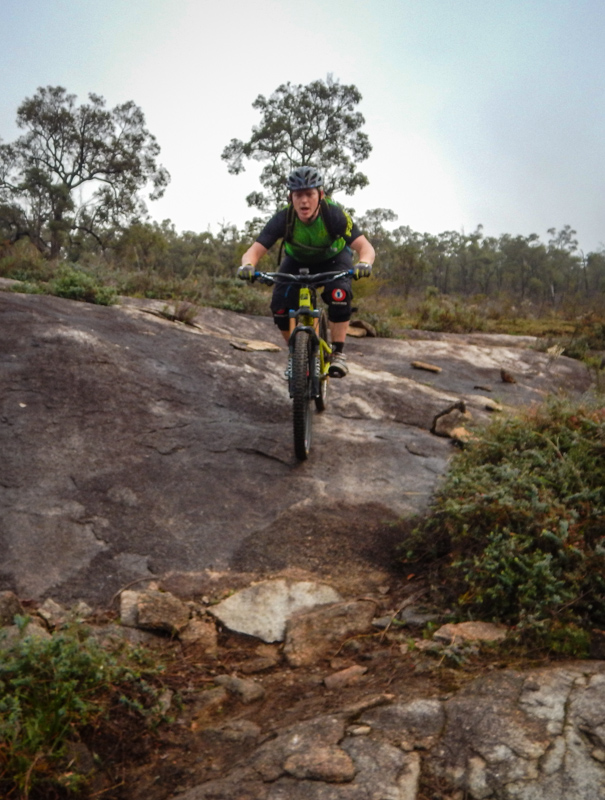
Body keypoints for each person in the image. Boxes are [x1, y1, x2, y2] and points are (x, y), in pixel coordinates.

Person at [238, 166, 375, 377]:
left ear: (320, 195)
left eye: (309, 194)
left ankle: (338, 353)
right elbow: (254, 251)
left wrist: (364, 263)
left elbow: (365, 247)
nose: (304, 201)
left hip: (334, 259)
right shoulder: (283, 218)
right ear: (290, 198)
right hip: (297, 261)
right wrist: (248, 266)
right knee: (280, 307)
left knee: (339, 294)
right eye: (298, 195)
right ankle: (296, 355)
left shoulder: (334, 214)